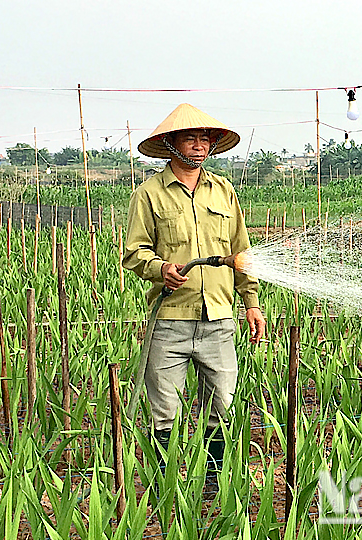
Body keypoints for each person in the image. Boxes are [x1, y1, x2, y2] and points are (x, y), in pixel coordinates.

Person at [123, 103, 266, 488]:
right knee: (163, 409)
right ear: (171, 144)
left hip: (219, 318)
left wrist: (251, 303)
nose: (199, 145)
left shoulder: (223, 191)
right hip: (170, 318)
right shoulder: (149, 194)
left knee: (220, 405)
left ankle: (211, 485)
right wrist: (160, 268)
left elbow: (242, 252)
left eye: (205, 138)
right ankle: (164, 487)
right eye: (191, 138)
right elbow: (135, 252)